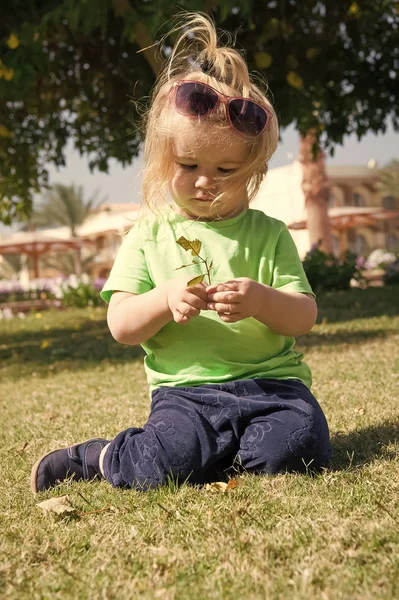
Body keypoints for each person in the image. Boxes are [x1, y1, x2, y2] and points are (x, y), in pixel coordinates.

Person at [31, 13, 331, 494]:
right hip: (186, 394)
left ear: (252, 170)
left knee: (299, 446)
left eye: (226, 169)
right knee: (160, 463)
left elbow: (304, 315)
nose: (205, 180)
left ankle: (230, 453)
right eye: (188, 164)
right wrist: (164, 297)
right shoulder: (149, 234)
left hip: (274, 388)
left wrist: (261, 301)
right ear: (162, 157)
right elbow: (121, 325)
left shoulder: (268, 233)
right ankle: (99, 456)